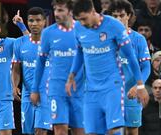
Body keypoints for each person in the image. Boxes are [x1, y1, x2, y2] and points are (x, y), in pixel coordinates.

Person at [66, 0, 149, 134]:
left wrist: (140, 85)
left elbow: (133, 59)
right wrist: (72, 75)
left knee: (125, 130)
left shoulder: (118, 29)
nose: (82, 23)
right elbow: (80, 52)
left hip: (115, 87)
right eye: (78, 20)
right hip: (92, 88)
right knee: (92, 131)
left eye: (84, 19)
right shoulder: (79, 28)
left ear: (92, 12)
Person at [32, 0, 85, 135]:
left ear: (70, 11)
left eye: (60, 10)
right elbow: (40, 62)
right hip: (56, 89)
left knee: (80, 131)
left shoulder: (83, 29)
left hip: (80, 90)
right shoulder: (48, 33)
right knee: (60, 130)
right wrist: (35, 89)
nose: (56, 13)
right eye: (55, 10)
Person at [108, 0, 151, 135]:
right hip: (111, 93)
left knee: (132, 131)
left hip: (131, 93)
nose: (118, 19)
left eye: (121, 15)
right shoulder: (104, 39)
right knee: (113, 131)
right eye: (114, 16)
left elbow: (146, 67)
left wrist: (138, 86)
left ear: (129, 16)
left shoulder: (138, 39)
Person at [12, 7, 52, 135]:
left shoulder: (51, 42)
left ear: (44, 22)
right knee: (28, 132)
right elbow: (16, 69)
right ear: (27, 22)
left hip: (45, 94)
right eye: (31, 21)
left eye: (38, 20)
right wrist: (14, 86)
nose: (34, 24)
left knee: (40, 130)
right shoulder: (19, 43)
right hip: (27, 95)